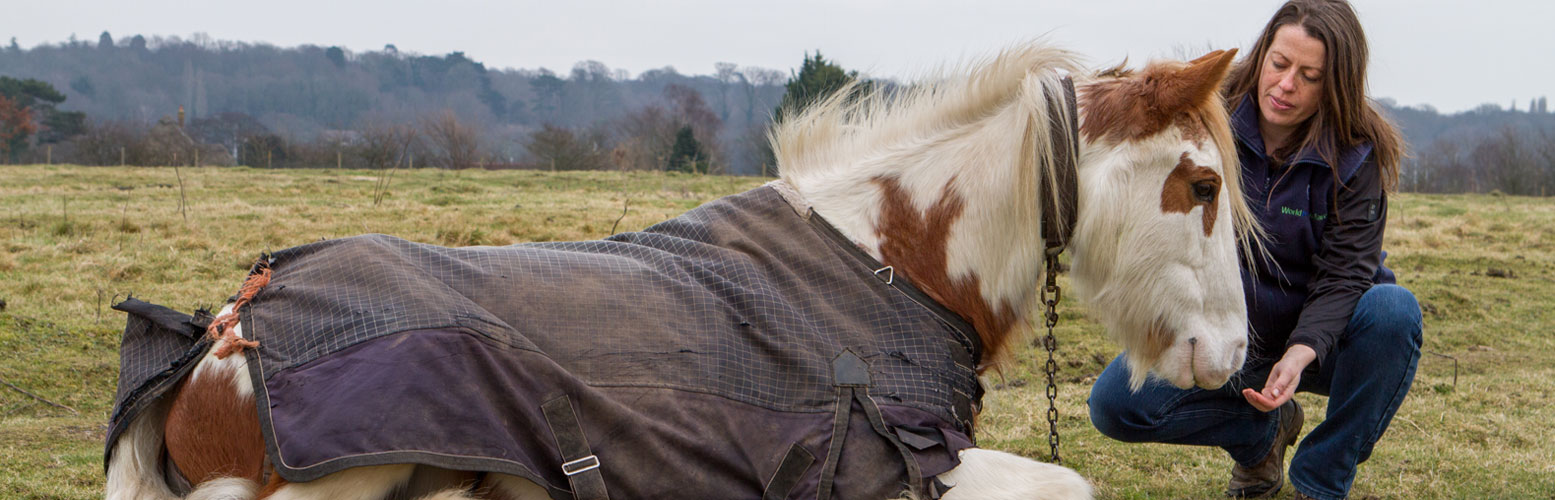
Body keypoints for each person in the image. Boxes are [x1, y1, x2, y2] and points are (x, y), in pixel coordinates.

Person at [1085, 1, 1423, 499]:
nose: (1287, 85)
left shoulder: (1358, 152)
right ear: (1263, 53)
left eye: (1310, 76)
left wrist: (1302, 350)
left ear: (1336, 84)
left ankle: (1322, 479)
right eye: (1280, 64)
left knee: (1394, 312)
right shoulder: (1207, 113)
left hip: (1326, 341)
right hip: (1231, 330)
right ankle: (1260, 439)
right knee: (1115, 406)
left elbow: (1347, 274)